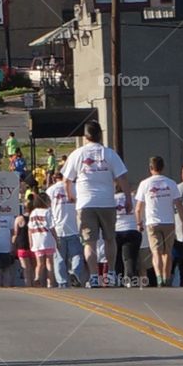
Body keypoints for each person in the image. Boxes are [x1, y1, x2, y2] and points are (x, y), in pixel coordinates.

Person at [62, 120, 131, 288]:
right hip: (107, 201)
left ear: (85, 136)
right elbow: (122, 177)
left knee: (89, 242)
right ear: (100, 135)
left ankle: (93, 276)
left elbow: (66, 180)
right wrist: (128, 197)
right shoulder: (109, 154)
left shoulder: (77, 154)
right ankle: (112, 273)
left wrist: (70, 195)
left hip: (85, 203)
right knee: (110, 238)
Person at [134, 156, 183, 287]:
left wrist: (139, 222)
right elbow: (179, 204)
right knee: (167, 252)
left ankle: (158, 278)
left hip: (152, 222)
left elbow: (138, 207)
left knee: (156, 252)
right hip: (169, 222)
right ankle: (167, 278)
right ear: (163, 167)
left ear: (151, 168)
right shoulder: (171, 183)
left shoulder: (145, 184)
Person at [46, 172, 83, 289]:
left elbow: (48, 210)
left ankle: (62, 282)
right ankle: (75, 273)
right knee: (77, 254)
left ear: (55, 178)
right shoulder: (75, 187)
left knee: (59, 258)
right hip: (74, 227)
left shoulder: (51, 190)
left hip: (58, 228)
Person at [27, 192, 57, 288]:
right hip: (48, 238)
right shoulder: (47, 212)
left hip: (37, 240)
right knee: (49, 262)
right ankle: (50, 283)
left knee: (39, 264)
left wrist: (31, 242)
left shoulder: (33, 213)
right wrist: (57, 239)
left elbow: (30, 229)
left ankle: (37, 277)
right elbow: (52, 227)